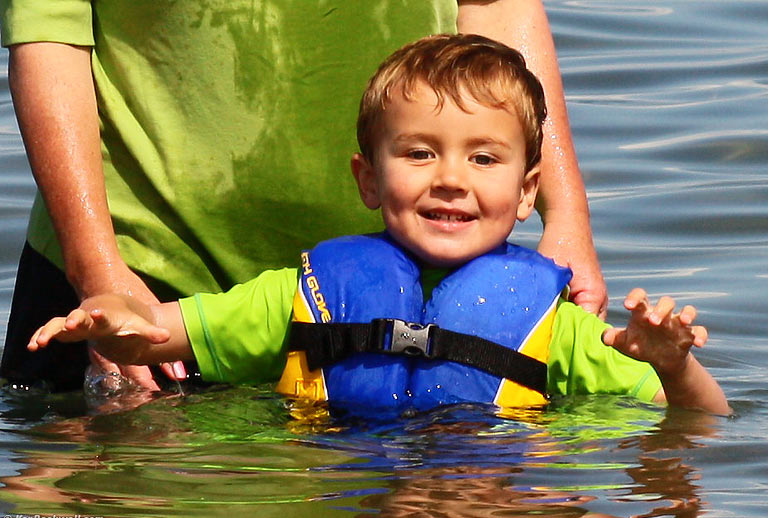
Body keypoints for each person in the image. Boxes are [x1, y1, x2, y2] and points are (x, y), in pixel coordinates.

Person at [27, 34, 730, 416]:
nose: (450, 176)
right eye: (419, 152)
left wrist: (674, 364)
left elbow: (705, 418)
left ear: (527, 193)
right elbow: (164, 335)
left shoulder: (557, 324)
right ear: (368, 178)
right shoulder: (304, 295)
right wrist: (114, 313)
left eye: (483, 158)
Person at [0, 1, 606, 393]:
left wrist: (568, 216)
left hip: (395, 291)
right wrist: (95, 268)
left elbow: (496, 8)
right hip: (139, 277)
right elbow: (46, 32)